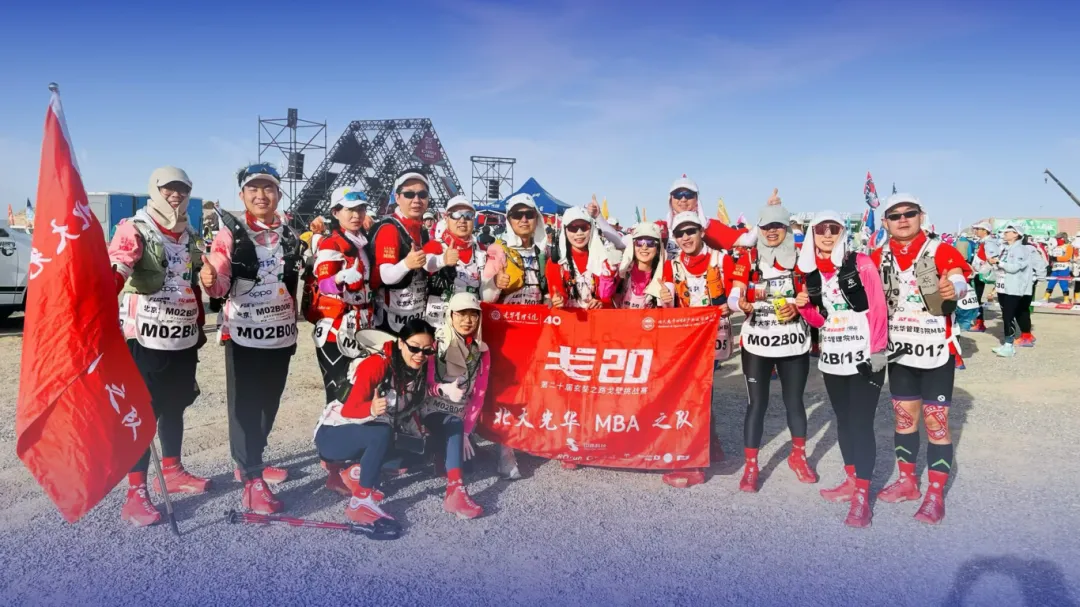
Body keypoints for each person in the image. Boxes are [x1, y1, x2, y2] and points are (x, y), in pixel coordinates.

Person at [108, 167, 209, 526]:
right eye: (169, 189)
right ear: (155, 189)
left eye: (182, 189)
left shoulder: (189, 232)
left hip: (182, 335)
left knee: (175, 404)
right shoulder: (135, 227)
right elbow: (118, 269)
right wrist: (104, 291)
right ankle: (135, 492)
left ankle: (172, 470)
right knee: (143, 411)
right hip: (146, 336)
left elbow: (193, 279)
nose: (176, 195)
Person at [202, 163, 303, 514]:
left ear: (278, 193)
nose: (262, 195)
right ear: (242, 195)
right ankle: (251, 478)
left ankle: (253, 459)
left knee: (268, 403)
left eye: (268, 188)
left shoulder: (289, 233)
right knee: (245, 405)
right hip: (244, 335)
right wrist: (209, 280)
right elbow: (219, 283)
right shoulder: (229, 234)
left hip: (281, 335)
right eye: (254, 189)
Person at [870, 193, 971, 525]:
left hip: (934, 351)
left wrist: (953, 288)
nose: (903, 219)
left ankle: (935, 494)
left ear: (921, 216)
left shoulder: (938, 249)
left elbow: (958, 277)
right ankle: (908, 482)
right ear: (885, 222)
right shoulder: (878, 255)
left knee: (936, 423)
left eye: (909, 213)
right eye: (895, 215)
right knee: (904, 420)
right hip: (900, 351)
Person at [795, 211, 889, 527]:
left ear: (841, 233)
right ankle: (851, 481)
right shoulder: (811, 274)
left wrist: (878, 350)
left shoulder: (860, 262)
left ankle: (862, 495)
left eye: (833, 229)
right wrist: (804, 308)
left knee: (861, 423)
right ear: (812, 234)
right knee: (845, 421)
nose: (827, 234)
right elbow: (821, 321)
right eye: (820, 229)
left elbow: (878, 307)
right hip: (833, 359)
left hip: (864, 358)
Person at [314, 319, 437, 527]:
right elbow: (349, 409)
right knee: (381, 433)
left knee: (416, 453)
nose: (420, 355)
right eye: (414, 348)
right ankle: (360, 501)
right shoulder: (377, 364)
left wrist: (421, 434)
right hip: (333, 433)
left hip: (365, 430)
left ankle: (353, 473)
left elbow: (407, 408)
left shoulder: (414, 368)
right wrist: (370, 409)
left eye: (427, 350)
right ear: (401, 343)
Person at [729, 203, 817, 492]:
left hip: (793, 344)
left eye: (777, 226)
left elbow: (812, 296)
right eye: (766, 227)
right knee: (757, 404)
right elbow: (733, 296)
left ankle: (798, 457)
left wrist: (798, 308)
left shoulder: (801, 258)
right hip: (758, 344)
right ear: (759, 229)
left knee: (795, 402)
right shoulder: (749, 257)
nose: (771, 231)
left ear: (787, 228)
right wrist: (740, 304)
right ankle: (751, 467)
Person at [481, 193, 551, 479]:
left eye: (529, 214)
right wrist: (495, 283)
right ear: (508, 219)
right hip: (506, 331)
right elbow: (485, 294)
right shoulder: (498, 250)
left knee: (532, 387)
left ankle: (527, 438)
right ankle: (505, 450)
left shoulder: (544, 252)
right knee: (506, 389)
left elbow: (547, 291)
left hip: (536, 330)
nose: (524, 219)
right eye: (517, 215)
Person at [422, 292, 490, 519]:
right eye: (461, 314)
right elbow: (425, 385)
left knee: (469, 465)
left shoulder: (482, 350)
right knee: (452, 427)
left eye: (473, 315)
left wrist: (467, 432)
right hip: (432, 408)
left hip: (459, 414)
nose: (467, 320)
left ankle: (443, 453)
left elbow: (479, 394)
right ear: (450, 315)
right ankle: (455, 491)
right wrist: (443, 389)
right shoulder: (436, 344)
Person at [368, 170, 447, 335]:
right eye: (409, 194)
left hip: (415, 315)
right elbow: (386, 276)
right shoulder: (390, 229)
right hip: (390, 321)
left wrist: (443, 260)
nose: (416, 200)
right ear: (397, 198)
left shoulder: (420, 230)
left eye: (422, 194)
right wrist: (407, 264)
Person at [425, 195, 488, 326]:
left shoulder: (481, 249)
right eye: (456, 214)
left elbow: (487, 292)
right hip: (439, 325)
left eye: (468, 215)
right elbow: (426, 263)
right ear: (446, 218)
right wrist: (442, 260)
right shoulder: (435, 245)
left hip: (469, 324)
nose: (462, 220)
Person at [547, 208, 617, 309]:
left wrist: (601, 302)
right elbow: (558, 293)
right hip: (568, 317)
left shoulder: (603, 261)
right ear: (565, 230)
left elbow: (607, 297)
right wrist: (559, 299)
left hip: (596, 317)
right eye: (573, 228)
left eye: (584, 227)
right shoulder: (556, 262)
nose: (579, 233)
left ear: (591, 229)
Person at [990, 224, 1033, 357]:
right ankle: (1006, 344)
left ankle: (1009, 345)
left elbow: (1014, 268)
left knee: (1009, 315)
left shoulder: (1021, 249)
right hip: (1002, 285)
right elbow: (1000, 266)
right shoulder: (1004, 248)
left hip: (1014, 287)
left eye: (1008, 232)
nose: (1005, 234)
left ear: (1016, 234)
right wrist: (994, 263)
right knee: (1005, 315)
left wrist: (999, 263)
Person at [613, 222, 675, 310]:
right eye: (639, 242)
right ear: (633, 246)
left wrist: (667, 302)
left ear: (657, 248)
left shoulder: (663, 274)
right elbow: (604, 296)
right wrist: (607, 278)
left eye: (650, 243)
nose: (644, 247)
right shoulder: (620, 271)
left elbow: (668, 310)